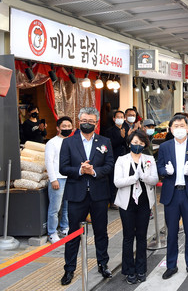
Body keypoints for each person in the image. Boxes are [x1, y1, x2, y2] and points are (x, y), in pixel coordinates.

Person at [59, 107, 114, 285]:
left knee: (101, 231)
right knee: (73, 233)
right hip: (76, 194)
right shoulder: (69, 142)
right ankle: (69, 269)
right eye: (84, 121)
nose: (87, 124)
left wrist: (94, 171)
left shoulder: (105, 141)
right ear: (79, 121)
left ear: (96, 123)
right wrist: (80, 170)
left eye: (91, 121)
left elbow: (110, 165)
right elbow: (63, 167)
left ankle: (103, 264)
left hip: (99, 194)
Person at [157, 114, 188, 280]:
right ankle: (171, 265)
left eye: (182, 126)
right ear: (171, 129)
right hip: (171, 193)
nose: (179, 129)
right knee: (172, 232)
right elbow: (159, 167)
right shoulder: (165, 147)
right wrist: (165, 172)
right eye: (175, 126)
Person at [114, 130, 159, 285]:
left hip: (144, 202)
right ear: (129, 143)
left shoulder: (149, 159)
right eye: (134, 143)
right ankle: (128, 270)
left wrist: (144, 177)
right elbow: (117, 182)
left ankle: (141, 269)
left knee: (141, 236)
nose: (137, 145)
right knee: (128, 236)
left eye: (140, 143)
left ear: (144, 144)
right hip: (127, 203)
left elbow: (154, 179)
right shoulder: (121, 160)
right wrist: (134, 178)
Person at [44, 116, 73, 244]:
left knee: (67, 206)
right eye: (64, 126)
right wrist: (53, 179)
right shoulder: (52, 143)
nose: (66, 128)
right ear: (58, 128)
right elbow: (48, 162)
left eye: (68, 126)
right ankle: (52, 232)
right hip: (58, 179)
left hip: (70, 178)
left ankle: (64, 228)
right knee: (54, 208)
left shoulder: (72, 141)